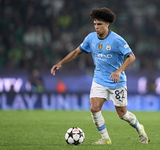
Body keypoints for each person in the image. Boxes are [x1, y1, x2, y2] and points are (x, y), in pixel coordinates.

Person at [51, 7, 149, 145]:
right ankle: (105, 138)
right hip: (99, 79)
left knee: (123, 115)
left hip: (117, 81)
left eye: (99, 24)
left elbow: (131, 57)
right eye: (95, 24)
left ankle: (140, 129)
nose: (96, 27)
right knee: (94, 108)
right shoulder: (90, 38)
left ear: (107, 24)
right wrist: (60, 63)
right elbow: (76, 52)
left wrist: (119, 71)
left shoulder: (117, 40)